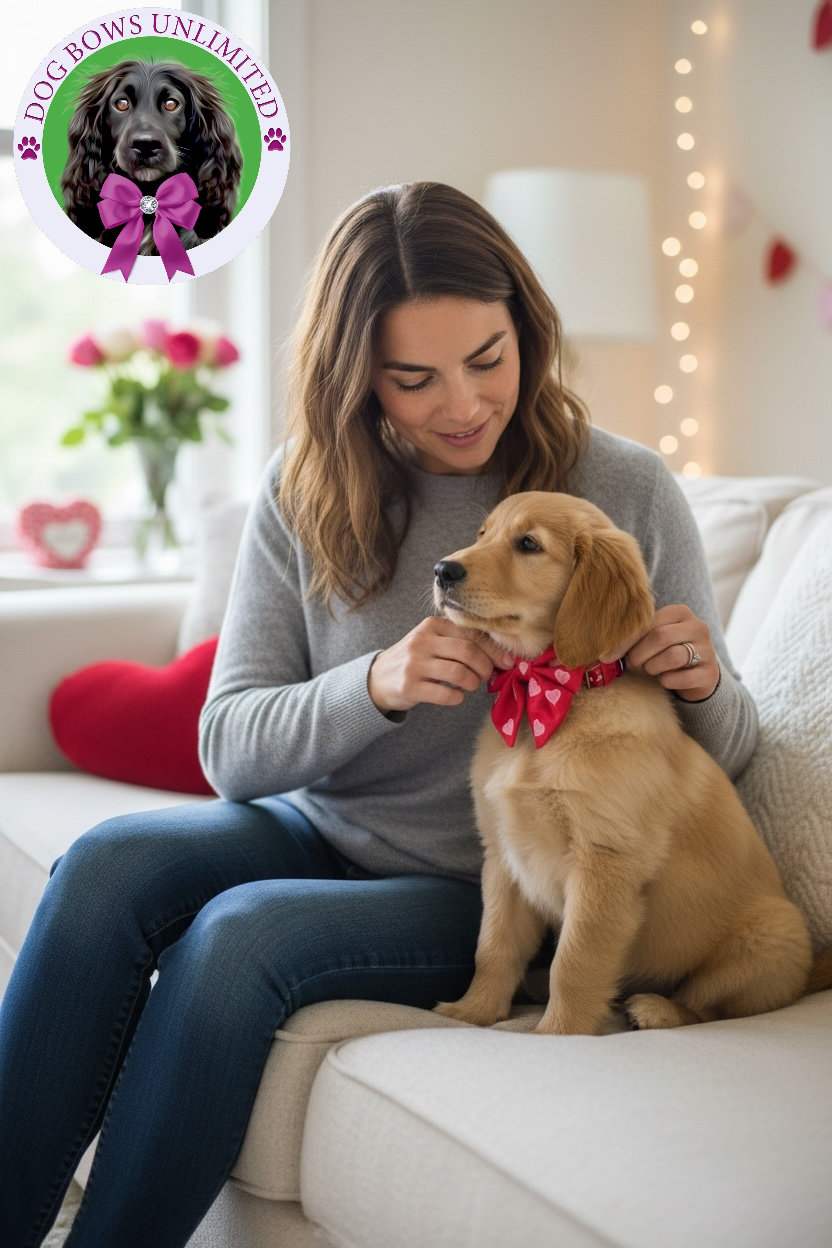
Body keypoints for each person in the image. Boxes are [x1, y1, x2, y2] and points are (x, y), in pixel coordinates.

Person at [0, 181, 757, 1247]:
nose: (461, 404)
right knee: (108, 861)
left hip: (483, 883)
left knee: (236, 939)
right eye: (413, 378)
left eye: (487, 359)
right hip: (317, 825)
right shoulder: (304, 489)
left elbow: (723, 756)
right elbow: (228, 746)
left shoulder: (618, 491)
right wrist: (375, 687)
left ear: (527, 336)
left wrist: (704, 682)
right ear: (357, 377)